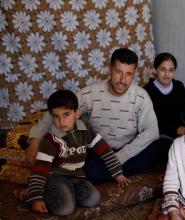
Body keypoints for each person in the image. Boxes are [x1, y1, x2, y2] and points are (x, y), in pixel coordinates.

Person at [27, 48, 161, 182]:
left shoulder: (141, 96)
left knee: (156, 148)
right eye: (118, 72)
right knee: (87, 166)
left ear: (134, 74)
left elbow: (152, 131)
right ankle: (101, 172)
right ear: (110, 70)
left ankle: (100, 172)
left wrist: (119, 158)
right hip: (99, 151)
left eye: (129, 74)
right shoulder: (91, 93)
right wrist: (35, 139)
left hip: (127, 150)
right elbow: (59, 112)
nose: (122, 80)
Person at [26, 90, 130, 216]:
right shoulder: (49, 139)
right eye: (56, 116)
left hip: (78, 177)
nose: (61, 121)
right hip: (56, 177)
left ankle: (66, 193)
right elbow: (39, 169)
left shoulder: (85, 129)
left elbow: (105, 150)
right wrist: (37, 199)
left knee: (93, 199)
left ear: (77, 113)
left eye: (66, 114)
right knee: (65, 208)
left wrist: (118, 174)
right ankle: (37, 192)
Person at [144, 52, 185, 139]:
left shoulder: (179, 86)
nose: (167, 74)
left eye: (171, 70)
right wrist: (176, 130)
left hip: (181, 131)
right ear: (155, 70)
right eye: (163, 69)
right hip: (158, 134)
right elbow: (149, 123)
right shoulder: (146, 91)